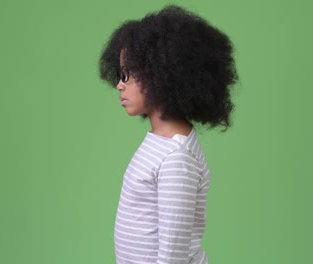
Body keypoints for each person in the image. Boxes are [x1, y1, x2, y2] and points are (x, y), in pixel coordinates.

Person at [98, 4, 238, 264]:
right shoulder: (160, 144)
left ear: (161, 74)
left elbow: (173, 256)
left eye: (127, 75)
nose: (119, 84)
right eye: (120, 75)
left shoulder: (176, 159)